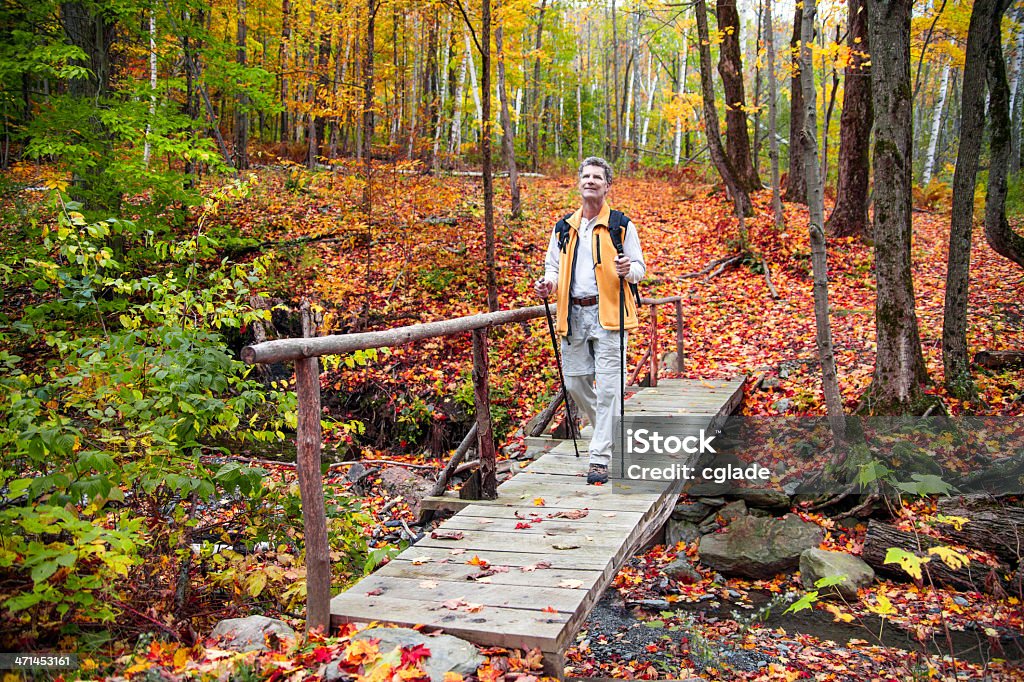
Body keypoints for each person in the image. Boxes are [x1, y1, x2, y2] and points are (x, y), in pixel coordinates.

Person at [533, 157, 646, 484]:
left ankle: (599, 458)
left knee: (610, 388)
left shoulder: (621, 225)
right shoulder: (563, 228)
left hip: (609, 314)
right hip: (573, 315)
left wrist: (629, 271)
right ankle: (612, 434)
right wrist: (547, 284)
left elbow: (639, 269)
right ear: (579, 182)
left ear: (607, 185)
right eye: (586, 175)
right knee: (575, 383)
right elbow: (552, 268)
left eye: (598, 177)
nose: (591, 181)